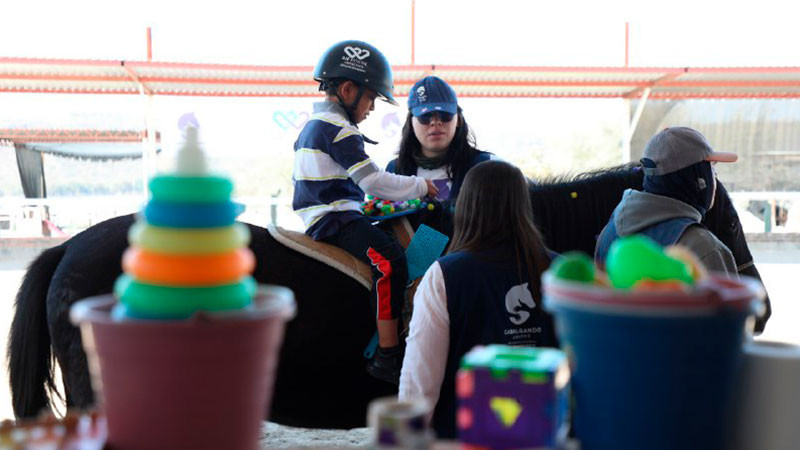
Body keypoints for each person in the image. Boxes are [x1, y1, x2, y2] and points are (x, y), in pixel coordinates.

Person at [292, 40, 438, 385]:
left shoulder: (315, 125)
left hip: (332, 212)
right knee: (389, 261)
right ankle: (388, 354)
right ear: (347, 89)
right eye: (371, 97)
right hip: (337, 219)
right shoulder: (338, 128)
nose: (372, 107)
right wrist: (420, 187)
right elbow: (373, 181)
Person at [398, 160, 558, 438]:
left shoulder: (444, 274)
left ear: (467, 207)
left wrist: (401, 440)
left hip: (466, 437)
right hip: (543, 434)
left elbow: (420, 380)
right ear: (523, 206)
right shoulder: (559, 270)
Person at [594, 126, 739, 274]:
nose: (714, 178)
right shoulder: (702, 247)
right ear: (700, 179)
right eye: (711, 169)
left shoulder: (610, 232)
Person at [386, 76, 495, 203]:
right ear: (411, 123)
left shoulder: (486, 167)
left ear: (458, 119)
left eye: (445, 115)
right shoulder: (393, 171)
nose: (435, 122)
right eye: (425, 116)